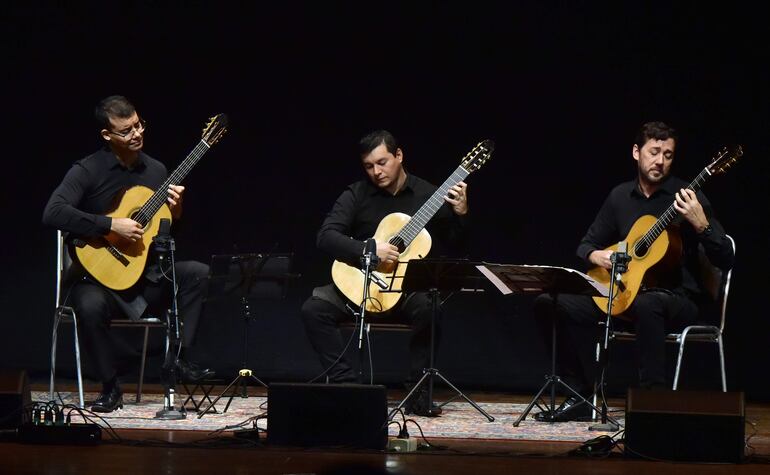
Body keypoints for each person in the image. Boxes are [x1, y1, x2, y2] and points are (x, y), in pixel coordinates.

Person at [533, 121, 735, 422]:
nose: (660, 161)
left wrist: (700, 223)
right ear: (636, 152)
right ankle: (578, 394)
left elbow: (726, 256)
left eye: (668, 154)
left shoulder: (685, 196)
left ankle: (653, 406)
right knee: (547, 303)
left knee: (648, 303)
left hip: (676, 298)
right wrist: (599, 256)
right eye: (654, 152)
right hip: (624, 294)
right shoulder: (620, 197)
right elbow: (585, 245)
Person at [43, 95, 214, 413]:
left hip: (142, 276)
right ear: (107, 136)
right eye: (126, 130)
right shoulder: (87, 170)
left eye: (139, 125)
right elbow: (52, 213)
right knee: (87, 303)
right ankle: (110, 387)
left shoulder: (157, 170)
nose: (136, 134)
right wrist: (109, 226)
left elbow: (161, 236)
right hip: (99, 279)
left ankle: (177, 360)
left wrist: (176, 213)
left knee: (198, 273)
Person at [300, 129, 469, 416]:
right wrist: (368, 248)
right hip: (359, 284)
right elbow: (326, 236)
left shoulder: (429, 195)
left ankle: (417, 392)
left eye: (382, 162)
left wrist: (461, 214)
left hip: (404, 291)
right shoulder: (356, 194)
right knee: (313, 310)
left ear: (399, 155)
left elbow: (456, 246)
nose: (376, 172)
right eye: (369, 166)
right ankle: (346, 387)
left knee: (431, 309)